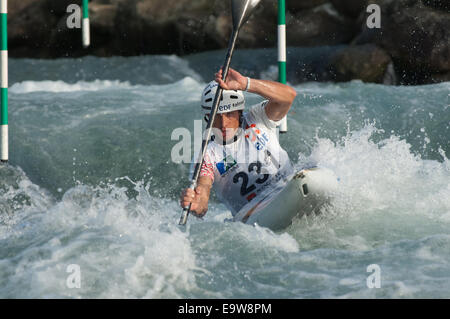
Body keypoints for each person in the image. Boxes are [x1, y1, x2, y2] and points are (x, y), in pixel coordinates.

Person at [180, 67, 297, 222]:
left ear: (240, 112)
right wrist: (196, 203)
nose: (223, 124)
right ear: (207, 118)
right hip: (254, 214)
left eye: (229, 114)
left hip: (288, 187)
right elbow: (203, 191)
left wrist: (246, 83)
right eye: (216, 116)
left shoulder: (257, 118)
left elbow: (288, 96)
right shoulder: (206, 155)